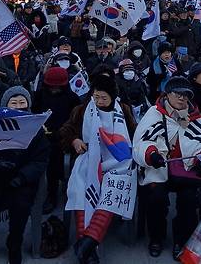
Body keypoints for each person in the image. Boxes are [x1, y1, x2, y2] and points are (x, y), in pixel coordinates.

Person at [133, 77, 201, 259]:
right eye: (177, 93)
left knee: (188, 199)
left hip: (186, 171)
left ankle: (182, 239)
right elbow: (141, 142)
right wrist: (151, 154)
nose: (182, 98)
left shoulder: (195, 117)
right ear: (167, 94)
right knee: (156, 197)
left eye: (186, 95)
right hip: (158, 168)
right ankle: (156, 238)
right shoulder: (154, 114)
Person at [60, 75, 137, 264]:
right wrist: (74, 140)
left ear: (112, 97)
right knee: (81, 190)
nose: (99, 101)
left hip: (118, 162)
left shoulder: (123, 110)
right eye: (96, 97)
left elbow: (135, 134)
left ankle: (86, 243)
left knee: (113, 188)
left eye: (104, 98)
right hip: (89, 159)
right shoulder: (82, 109)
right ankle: (88, 247)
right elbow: (65, 129)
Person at [0, 86, 49, 264]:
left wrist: (22, 176)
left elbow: (40, 160)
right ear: (5, 105)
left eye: (22, 103)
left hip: (20, 180)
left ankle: (14, 244)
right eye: (14, 103)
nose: (18, 106)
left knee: (21, 206)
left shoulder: (36, 130)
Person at [32, 67, 80, 213]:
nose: (54, 90)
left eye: (57, 87)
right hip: (43, 134)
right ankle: (50, 193)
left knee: (56, 157)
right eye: (51, 87)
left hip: (64, 136)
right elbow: (34, 114)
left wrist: (63, 133)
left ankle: (60, 191)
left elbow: (75, 120)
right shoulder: (40, 95)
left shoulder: (72, 98)